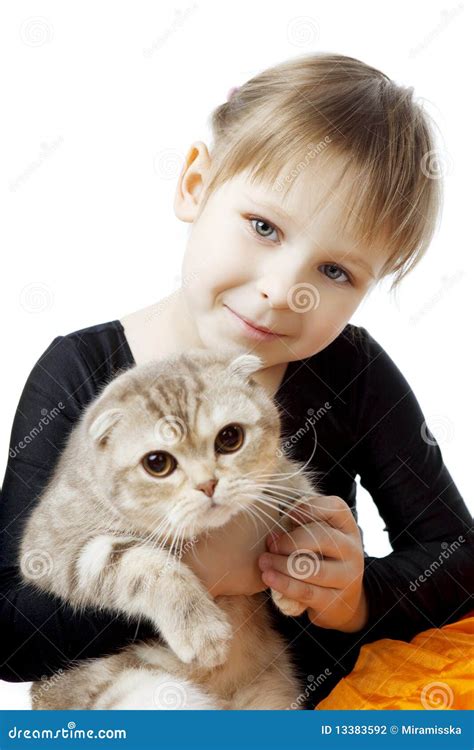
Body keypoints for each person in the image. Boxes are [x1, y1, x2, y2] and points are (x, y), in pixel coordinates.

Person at [1, 52, 472, 709]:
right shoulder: (81, 373)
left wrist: (357, 595)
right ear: (196, 183)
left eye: (335, 272)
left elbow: (457, 555)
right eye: (263, 227)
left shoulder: (352, 372)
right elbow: (12, 634)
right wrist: (197, 574)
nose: (283, 292)